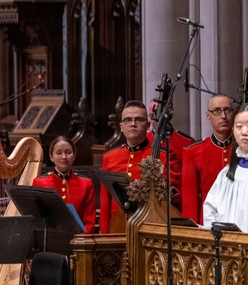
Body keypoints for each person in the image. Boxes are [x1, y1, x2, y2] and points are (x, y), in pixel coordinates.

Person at [99, 100, 176, 233]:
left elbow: (172, 199)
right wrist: (105, 234)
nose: (133, 124)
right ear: (121, 126)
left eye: (139, 120)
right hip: (118, 227)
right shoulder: (109, 157)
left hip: (151, 228)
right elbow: (105, 202)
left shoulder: (163, 156)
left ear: (147, 125)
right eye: (128, 120)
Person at [182, 95, 235, 225]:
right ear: (208, 116)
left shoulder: (243, 148)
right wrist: (192, 231)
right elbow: (190, 200)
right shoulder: (193, 151)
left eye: (227, 110)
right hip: (208, 224)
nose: (223, 116)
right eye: (217, 111)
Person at [32, 136, 96, 234]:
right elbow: (38, 219)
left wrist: (82, 240)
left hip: (79, 239)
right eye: (59, 153)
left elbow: (89, 222)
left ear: (74, 156)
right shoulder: (40, 182)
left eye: (68, 152)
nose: (64, 157)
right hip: (51, 239)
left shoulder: (86, 183)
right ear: (51, 157)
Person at [203, 104, 248, 229]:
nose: (244, 132)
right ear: (233, 130)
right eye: (239, 126)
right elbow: (210, 210)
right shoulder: (226, 173)